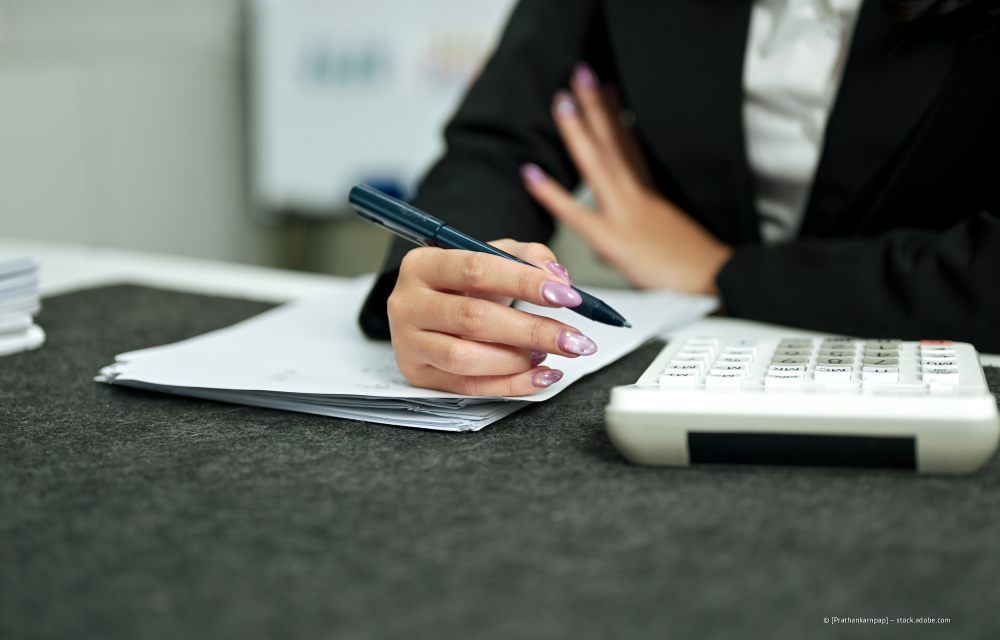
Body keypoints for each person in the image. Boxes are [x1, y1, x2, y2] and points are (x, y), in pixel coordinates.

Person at [359, 0, 1000, 396]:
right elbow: (498, 150)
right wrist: (456, 289)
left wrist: (721, 272)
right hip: (688, 371)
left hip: (946, 375)